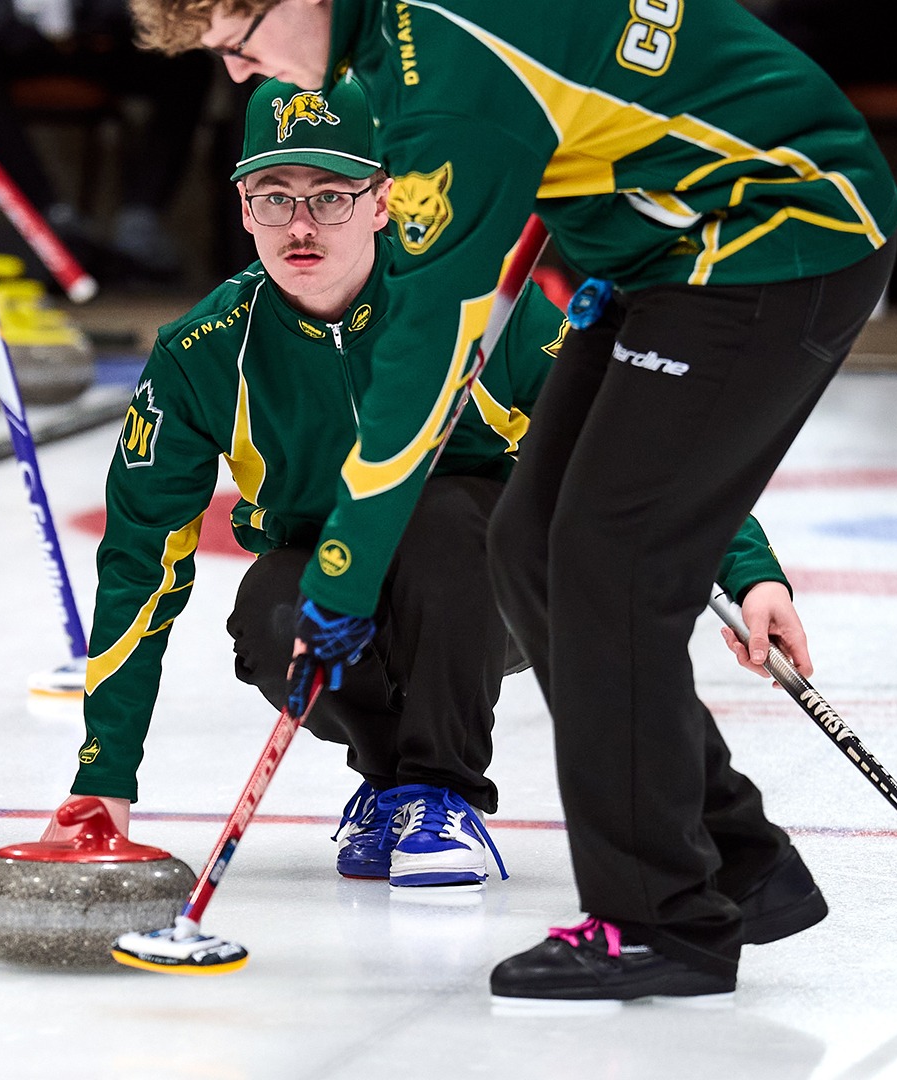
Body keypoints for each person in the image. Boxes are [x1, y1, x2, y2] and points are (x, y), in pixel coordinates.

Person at [129, 0, 897, 1005]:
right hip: (665, 244)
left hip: (777, 232)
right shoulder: (403, 55)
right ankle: (741, 862)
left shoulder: (441, 82)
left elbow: (421, 365)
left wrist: (346, 573)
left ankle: (660, 918)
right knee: (531, 541)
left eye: (238, 43)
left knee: (606, 559)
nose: (238, 74)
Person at [45, 77, 816, 906]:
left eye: (332, 197)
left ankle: (444, 793)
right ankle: (395, 785)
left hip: (493, 589)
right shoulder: (202, 354)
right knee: (269, 607)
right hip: (336, 602)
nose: (301, 225)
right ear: (241, 207)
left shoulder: (472, 309)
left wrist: (751, 570)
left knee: (445, 517)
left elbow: (642, 437)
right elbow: (139, 563)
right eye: (275, 197)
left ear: (382, 201)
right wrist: (103, 775)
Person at [0, 0, 213, 281]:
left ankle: (140, 220)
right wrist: (12, 19)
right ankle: (46, 216)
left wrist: (105, 15)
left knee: (189, 63)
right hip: (3, 40)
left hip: (93, 36)